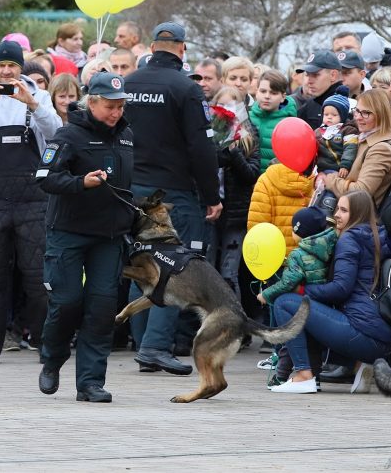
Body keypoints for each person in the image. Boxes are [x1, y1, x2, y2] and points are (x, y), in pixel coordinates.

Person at [122, 21, 221, 375]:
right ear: (182, 49)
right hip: (173, 194)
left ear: (151, 48)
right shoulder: (186, 89)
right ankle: (154, 347)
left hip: (132, 192)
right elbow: (201, 148)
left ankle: (142, 342)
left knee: (144, 265)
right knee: (174, 268)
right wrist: (211, 195)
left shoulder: (128, 84)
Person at [35, 71, 134, 402]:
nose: (116, 113)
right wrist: (80, 183)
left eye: (120, 106)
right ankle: (52, 359)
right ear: (91, 102)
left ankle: (91, 382)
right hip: (68, 232)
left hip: (109, 236)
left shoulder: (127, 135)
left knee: (101, 308)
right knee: (66, 303)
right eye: (109, 106)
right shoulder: (68, 135)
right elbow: (45, 178)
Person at [0, 40, 62, 365]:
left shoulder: (41, 96)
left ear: (21, 67)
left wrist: (32, 103)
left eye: (13, 66)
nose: (6, 71)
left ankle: (45, 342)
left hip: (33, 196)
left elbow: (56, 132)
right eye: (1, 65)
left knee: (37, 275)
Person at [270, 190, 391, 394]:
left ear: (358, 214)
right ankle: (355, 366)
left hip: (361, 332)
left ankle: (303, 376)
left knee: (285, 302)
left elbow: (340, 288)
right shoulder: (373, 236)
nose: (336, 214)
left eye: (344, 210)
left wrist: (302, 289)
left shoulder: (349, 239)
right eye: (337, 208)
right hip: (378, 337)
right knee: (310, 306)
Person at [210, 87, 260, 296]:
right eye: (221, 106)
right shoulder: (206, 134)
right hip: (210, 214)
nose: (226, 112)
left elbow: (250, 174)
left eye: (231, 106)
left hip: (235, 216)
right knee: (207, 269)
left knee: (229, 274)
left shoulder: (250, 135)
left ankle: (233, 324)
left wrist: (233, 148)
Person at [319, 88, 391, 206]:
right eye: (357, 111)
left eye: (366, 113)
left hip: (359, 220)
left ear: (381, 115)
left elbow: (361, 192)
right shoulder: (361, 136)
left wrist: (329, 179)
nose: (358, 117)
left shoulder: (381, 149)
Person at [249, 70, 297, 172]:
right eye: (263, 91)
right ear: (256, 92)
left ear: (283, 97)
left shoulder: (289, 123)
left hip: (274, 183)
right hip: (247, 182)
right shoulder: (247, 118)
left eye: (273, 93)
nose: (267, 96)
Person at [296, 50, 344, 130]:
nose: (309, 81)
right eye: (307, 75)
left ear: (333, 75)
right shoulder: (310, 105)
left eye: (315, 75)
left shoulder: (349, 105)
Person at [316, 93, 358, 177]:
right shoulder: (318, 132)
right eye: (326, 114)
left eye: (334, 115)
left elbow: (350, 148)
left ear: (342, 116)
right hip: (321, 170)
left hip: (339, 169)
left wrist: (345, 165)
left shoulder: (348, 130)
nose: (329, 117)